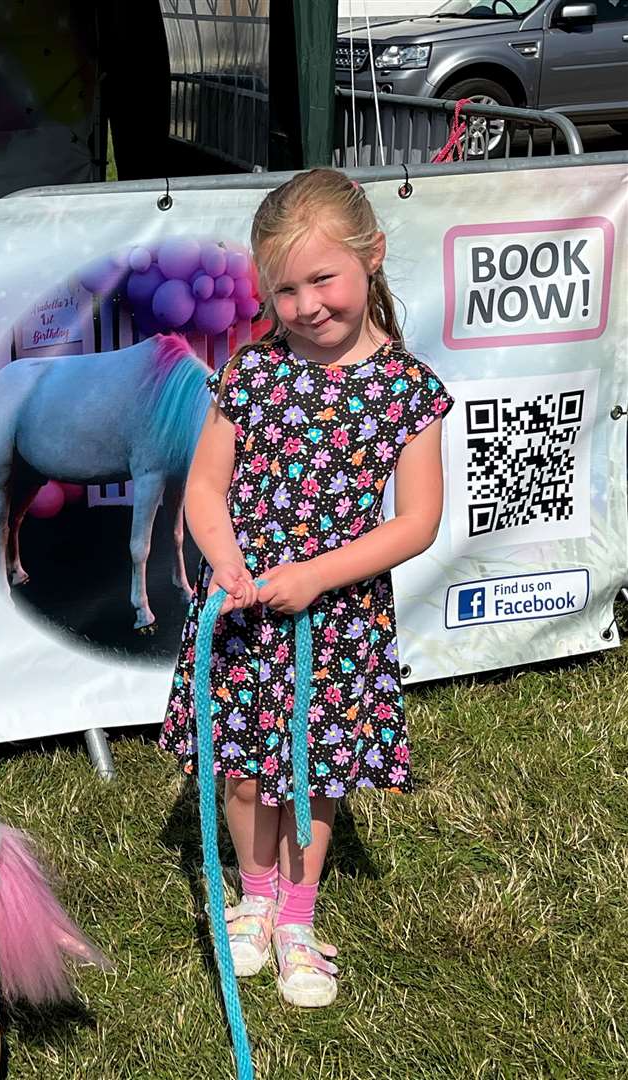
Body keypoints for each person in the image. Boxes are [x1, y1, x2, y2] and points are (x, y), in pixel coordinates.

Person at [158, 168, 455, 1007]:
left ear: (373, 257)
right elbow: (205, 490)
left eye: (322, 278)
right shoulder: (250, 375)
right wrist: (230, 568)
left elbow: (415, 523)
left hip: (339, 620)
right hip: (249, 611)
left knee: (313, 767)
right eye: (283, 288)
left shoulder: (408, 391)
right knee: (246, 768)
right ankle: (252, 897)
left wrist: (313, 579)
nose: (305, 304)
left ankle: (296, 914)